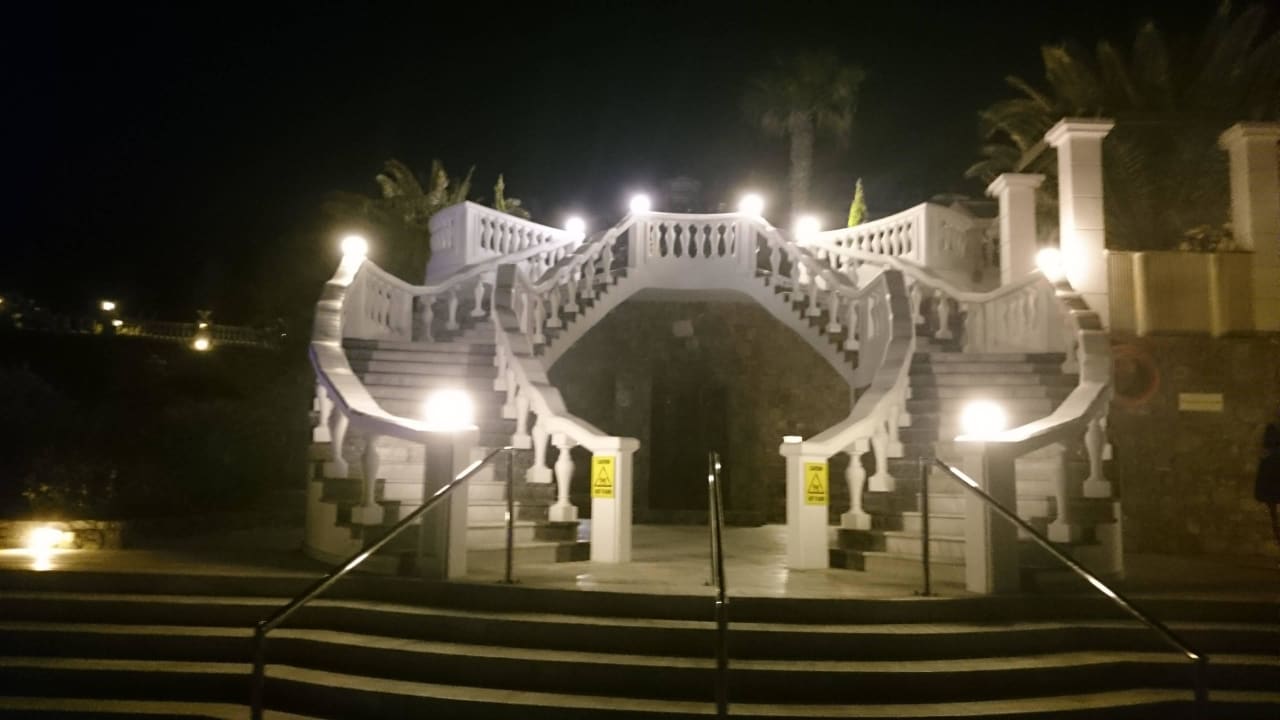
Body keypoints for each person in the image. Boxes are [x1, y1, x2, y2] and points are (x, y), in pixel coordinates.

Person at [1257, 416, 1280, 556]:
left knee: (1275, 519)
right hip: (1274, 491)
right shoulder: (1268, 460)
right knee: (1275, 519)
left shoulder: (1267, 461)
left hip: (1272, 493)